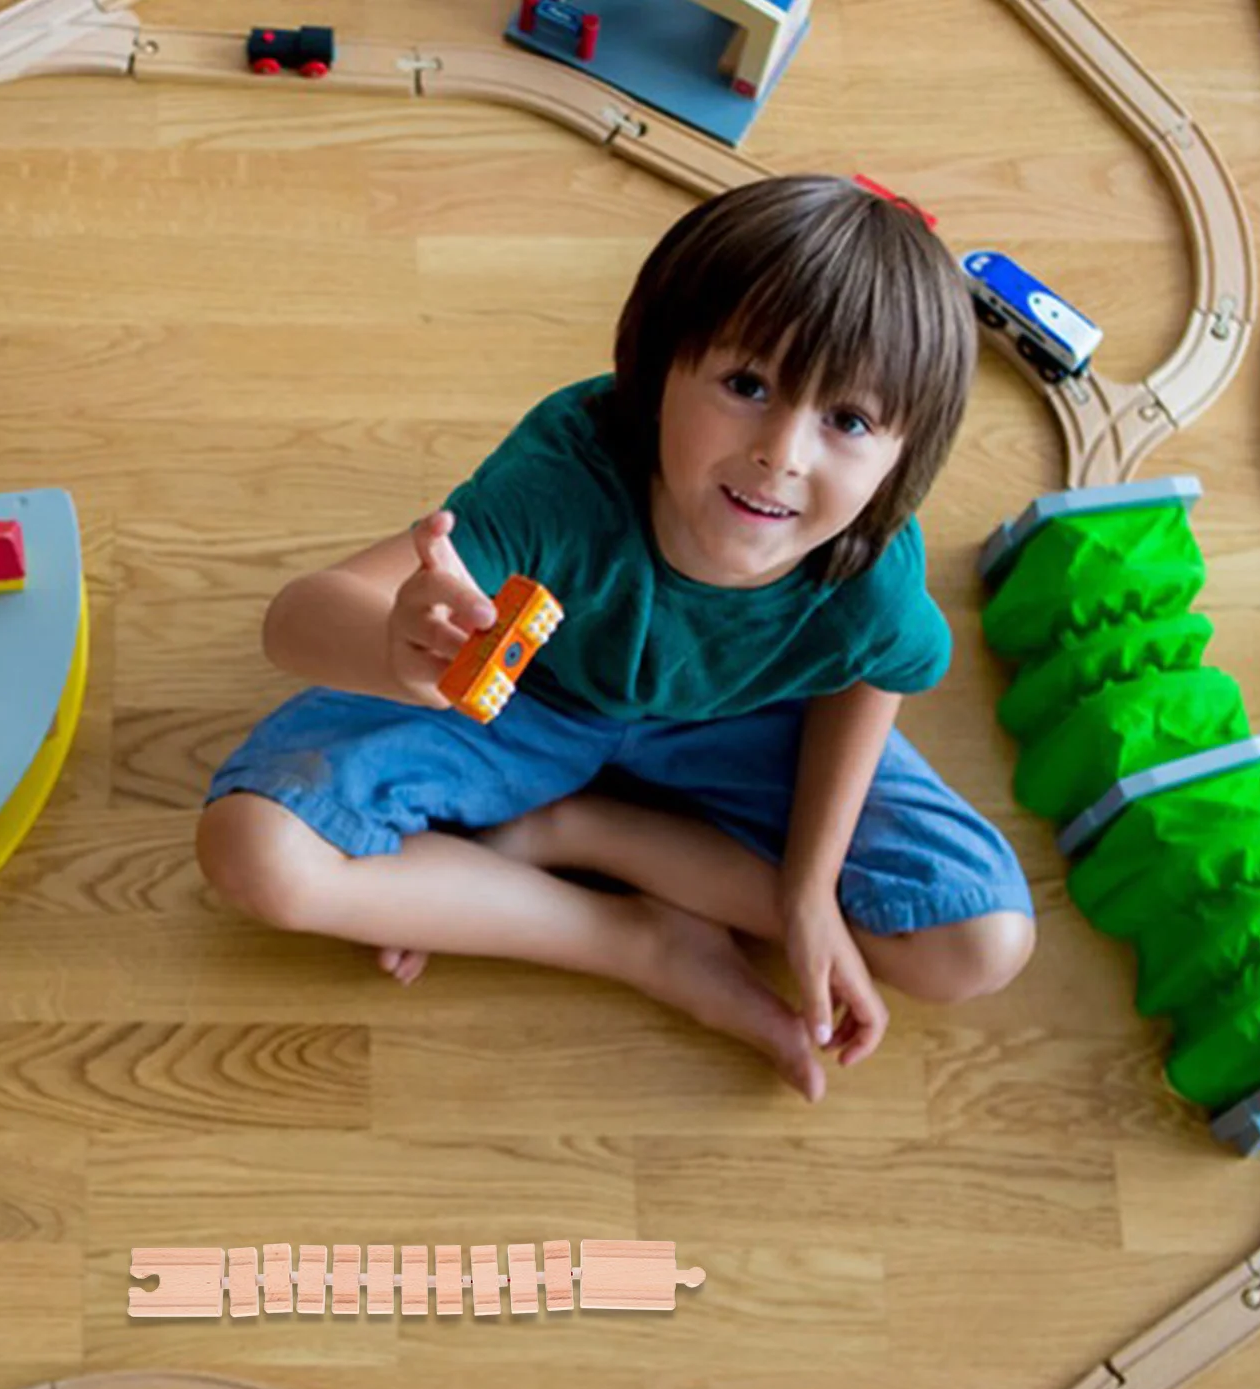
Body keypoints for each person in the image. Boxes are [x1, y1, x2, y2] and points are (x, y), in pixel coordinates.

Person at [197, 173, 1036, 1102]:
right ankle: (638, 943)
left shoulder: (871, 567)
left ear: (902, 460)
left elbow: (874, 676)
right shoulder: (566, 475)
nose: (784, 454)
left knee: (979, 944)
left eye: (847, 421)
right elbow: (294, 620)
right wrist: (393, 645)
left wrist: (807, 887)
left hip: (748, 719)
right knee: (255, 852)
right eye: (747, 385)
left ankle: (577, 830)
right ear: (655, 368)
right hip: (532, 698)